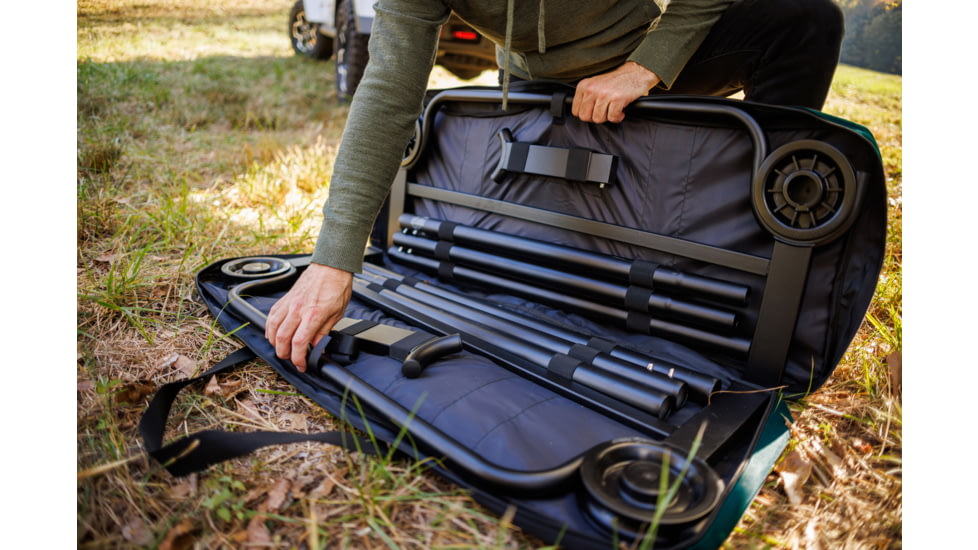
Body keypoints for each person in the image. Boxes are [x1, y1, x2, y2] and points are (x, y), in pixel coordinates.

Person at [266, 0, 845, 371]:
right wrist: (333, 260)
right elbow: (389, 92)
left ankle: (761, 257)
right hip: (532, 75)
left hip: (642, 47)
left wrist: (645, 67)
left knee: (807, 19)